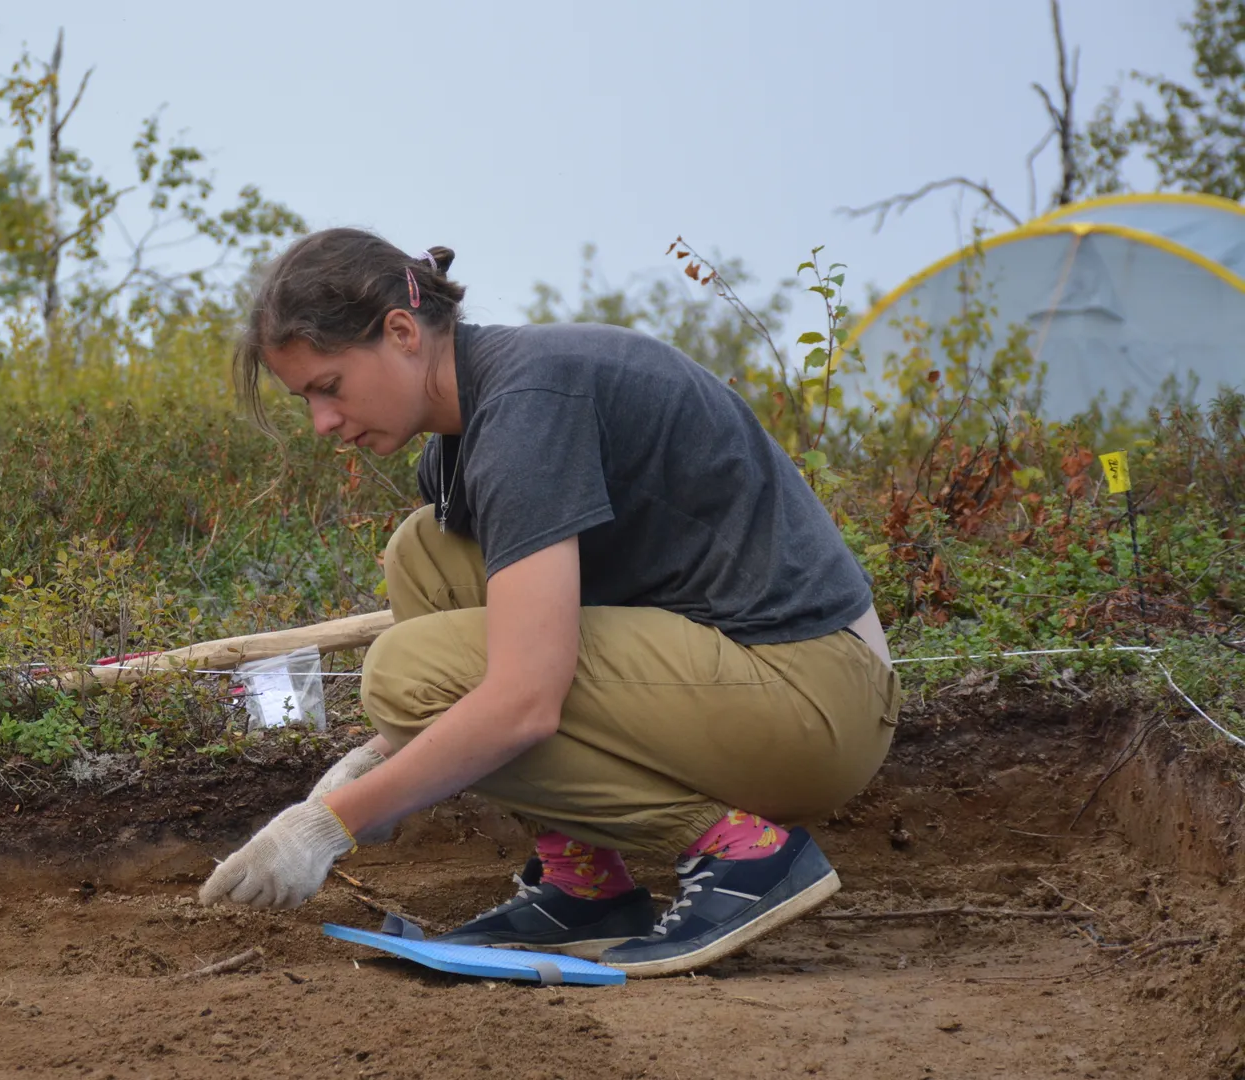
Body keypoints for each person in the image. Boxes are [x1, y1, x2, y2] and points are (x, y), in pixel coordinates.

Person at [199, 228, 900, 978]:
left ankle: (747, 855)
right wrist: (378, 762)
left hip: (817, 698)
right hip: (744, 674)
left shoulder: (527, 408)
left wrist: (329, 824)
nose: (323, 424)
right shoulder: (467, 433)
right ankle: (585, 885)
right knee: (427, 557)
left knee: (407, 676)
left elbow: (524, 703)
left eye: (328, 386)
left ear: (401, 332)